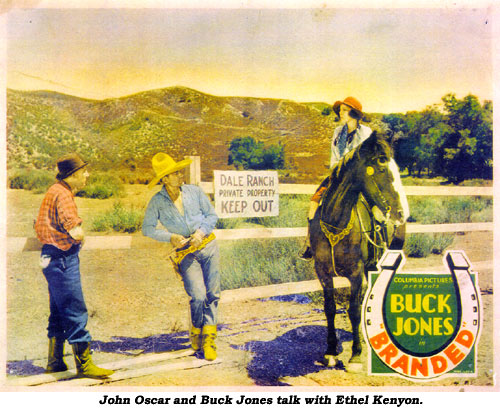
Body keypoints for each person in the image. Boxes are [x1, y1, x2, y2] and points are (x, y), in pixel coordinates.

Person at [34, 153, 114, 379]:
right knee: (75, 308)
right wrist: (80, 235)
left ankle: (55, 361)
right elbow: (74, 230)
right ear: (74, 175)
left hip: (49, 257)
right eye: (84, 172)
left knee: (59, 309)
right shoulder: (64, 195)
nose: (87, 175)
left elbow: (38, 224)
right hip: (62, 258)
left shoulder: (53, 190)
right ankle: (85, 366)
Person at [142, 153, 220, 361]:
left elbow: (212, 215)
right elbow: (147, 229)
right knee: (198, 295)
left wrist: (201, 233)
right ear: (164, 179)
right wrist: (170, 237)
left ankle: (209, 340)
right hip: (186, 254)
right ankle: (196, 332)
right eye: (174, 173)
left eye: (179, 171)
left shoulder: (194, 192)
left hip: (208, 246)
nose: (180, 175)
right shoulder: (157, 201)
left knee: (213, 294)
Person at [300, 96, 372, 260]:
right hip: (338, 175)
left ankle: (377, 241)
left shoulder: (365, 132)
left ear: (354, 113)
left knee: (373, 203)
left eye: (344, 110)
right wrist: (336, 171)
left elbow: (366, 157)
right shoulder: (338, 132)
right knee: (314, 202)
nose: (341, 113)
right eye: (340, 110)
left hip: (358, 177)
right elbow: (334, 157)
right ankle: (311, 244)